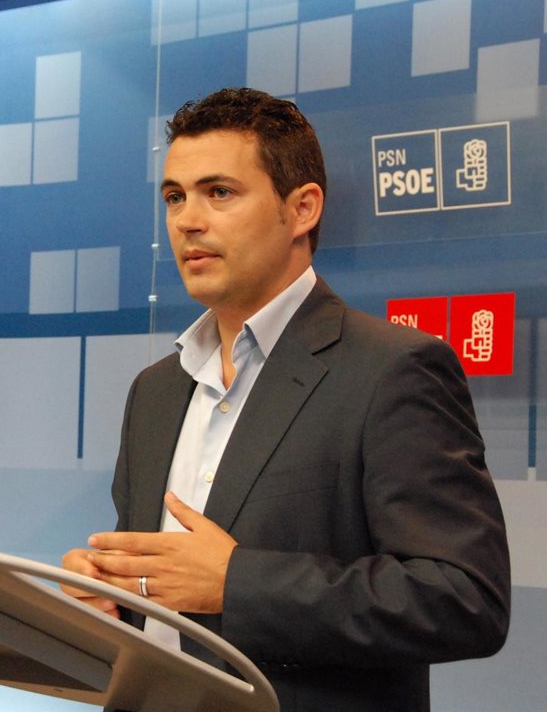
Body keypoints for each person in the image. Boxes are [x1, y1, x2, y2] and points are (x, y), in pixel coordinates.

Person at [61, 88, 510, 711]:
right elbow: (160, 587)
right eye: (174, 197)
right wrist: (112, 593)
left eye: (220, 192)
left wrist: (236, 584)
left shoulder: (392, 370)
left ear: (302, 209)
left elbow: (464, 598)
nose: (187, 220)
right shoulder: (155, 390)